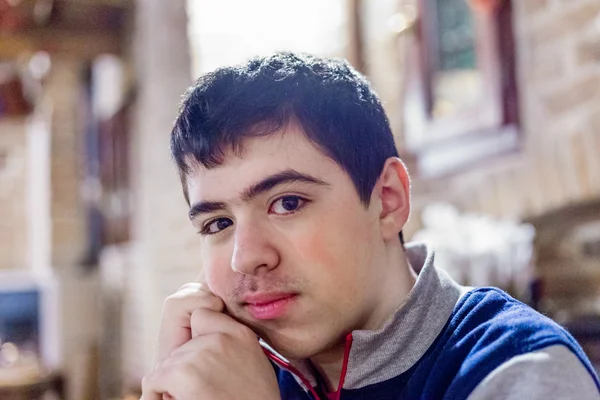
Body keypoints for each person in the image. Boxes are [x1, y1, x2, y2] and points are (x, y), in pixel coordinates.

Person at [140, 52, 600, 400]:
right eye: (218, 222)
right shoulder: (228, 376)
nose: (246, 255)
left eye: (288, 202)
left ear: (387, 200)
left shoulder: (520, 369)